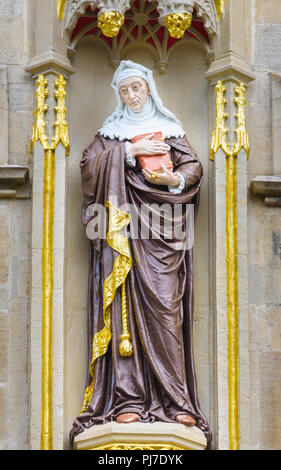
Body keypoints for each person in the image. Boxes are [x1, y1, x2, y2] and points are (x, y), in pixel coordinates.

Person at [70, 60, 211, 446]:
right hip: (121, 238)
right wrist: (130, 151)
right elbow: (88, 168)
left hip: (163, 236)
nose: (132, 96)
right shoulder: (111, 136)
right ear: (120, 95)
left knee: (166, 310)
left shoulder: (171, 129)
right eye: (125, 90)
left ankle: (175, 398)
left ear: (149, 90)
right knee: (122, 315)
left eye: (137, 88)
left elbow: (193, 168)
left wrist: (173, 178)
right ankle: (127, 399)